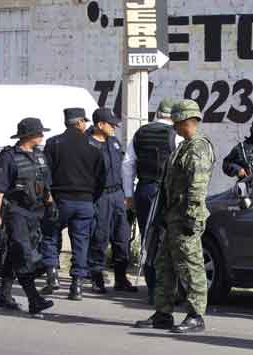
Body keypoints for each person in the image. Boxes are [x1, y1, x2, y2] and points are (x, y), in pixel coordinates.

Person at [134, 100, 215, 333]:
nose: (174, 127)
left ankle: (196, 315)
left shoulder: (198, 148)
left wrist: (191, 216)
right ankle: (163, 313)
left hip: (186, 218)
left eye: (176, 122)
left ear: (186, 121)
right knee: (165, 265)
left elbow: (197, 186)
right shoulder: (184, 146)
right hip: (173, 216)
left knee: (190, 267)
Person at [40, 108, 105, 300]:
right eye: (84, 121)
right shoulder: (94, 145)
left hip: (60, 200)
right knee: (81, 242)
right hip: (85, 201)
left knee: (50, 235)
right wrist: (92, 198)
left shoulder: (53, 143)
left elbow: (45, 173)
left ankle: (52, 275)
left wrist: (48, 196)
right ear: (79, 123)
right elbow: (101, 178)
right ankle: (77, 286)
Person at [0, 118, 55, 315]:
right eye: (39, 133)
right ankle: (34, 300)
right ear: (28, 136)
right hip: (15, 212)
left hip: (35, 213)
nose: (42, 136)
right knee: (23, 255)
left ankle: (4, 295)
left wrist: (50, 203)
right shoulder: (8, 157)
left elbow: (45, 185)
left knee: (16, 254)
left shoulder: (39, 156)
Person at [123, 98, 181, 304]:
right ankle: (169, 290)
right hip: (167, 192)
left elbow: (128, 164)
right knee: (170, 240)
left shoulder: (140, 133)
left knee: (149, 240)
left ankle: (153, 289)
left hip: (145, 189)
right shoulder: (176, 134)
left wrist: (128, 195)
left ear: (157, 113)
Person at [86, 108, 137, 293]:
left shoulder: (113, 142)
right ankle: (96, 277)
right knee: (99, 238)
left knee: (122, 237)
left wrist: (127, 194)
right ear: (100, 125)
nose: (114, 127)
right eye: (111, 124)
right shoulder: (87, 144)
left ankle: (121, 278)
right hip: (99, 197)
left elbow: (123, 167)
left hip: (117, 195)